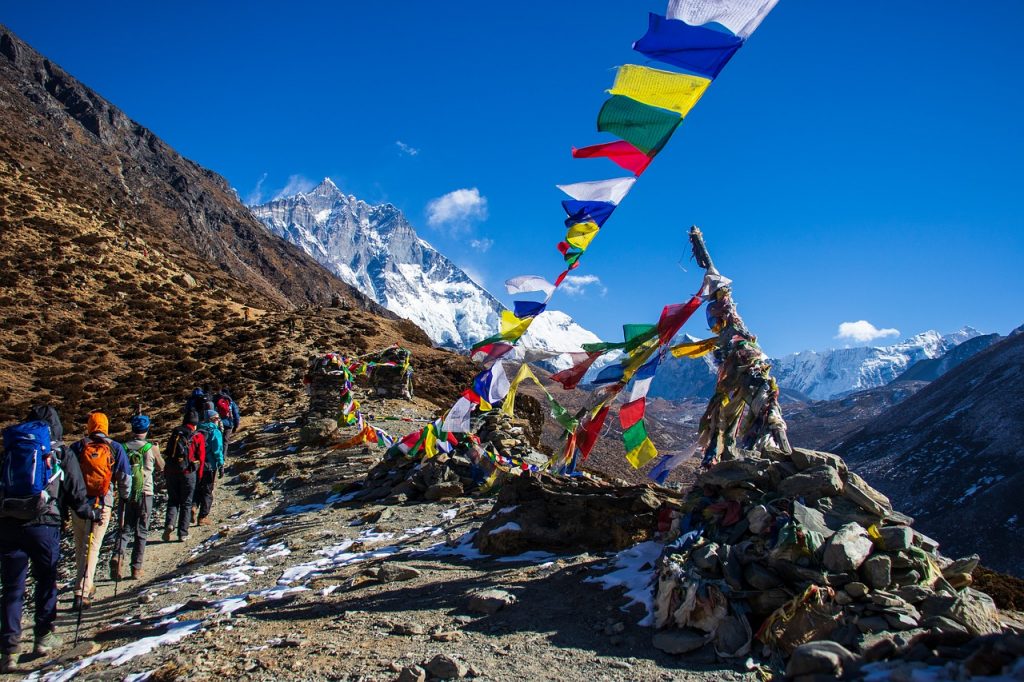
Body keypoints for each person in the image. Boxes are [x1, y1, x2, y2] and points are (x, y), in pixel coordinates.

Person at [0, 406, 96, 672]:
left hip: (8, 523)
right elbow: (76, 492)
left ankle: (8, 648)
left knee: (12, 587)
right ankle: (43, 635)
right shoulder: (61, 453)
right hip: (45, 524)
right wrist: (89, 512)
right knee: (45, 579)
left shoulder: (12, 451)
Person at [66, 412, 130, 610]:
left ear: (90, 426)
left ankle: (86, 584)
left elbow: (67, 476)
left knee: (80, 545)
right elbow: (125, 478)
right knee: (92, 547)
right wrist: (124, 496)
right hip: (101, 503)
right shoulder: (115, 448)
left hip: (78, 505)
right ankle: (82, 591)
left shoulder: (76, 447)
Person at [111, 415, 164, 581]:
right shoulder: (150, 448)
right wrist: (158, 452)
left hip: (126, 493)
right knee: (141, 530)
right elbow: (162, 467)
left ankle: (118, 556)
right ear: (147, 429)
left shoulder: (122, 448)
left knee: (124, 528)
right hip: (145, 492)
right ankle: (136, 568)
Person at [163, 411, 205, 543]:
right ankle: (182, 533)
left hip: (172, 472)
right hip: (188, 472)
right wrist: (199, 475)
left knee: (173, 500)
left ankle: (169, 524)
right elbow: (201, 457)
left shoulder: (176, 433)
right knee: (186, 503)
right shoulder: (197, 436)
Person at [193, 410, 224, 527]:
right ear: (211, 419)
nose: (218, 420)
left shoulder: (197, 430)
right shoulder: (214, 432)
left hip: (197, 464)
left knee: (197, 488)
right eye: (216, 418)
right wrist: (221, 463)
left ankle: (194, 506)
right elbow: (217, 450)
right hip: (209, 465)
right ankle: (203, 517)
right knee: (207, 491)